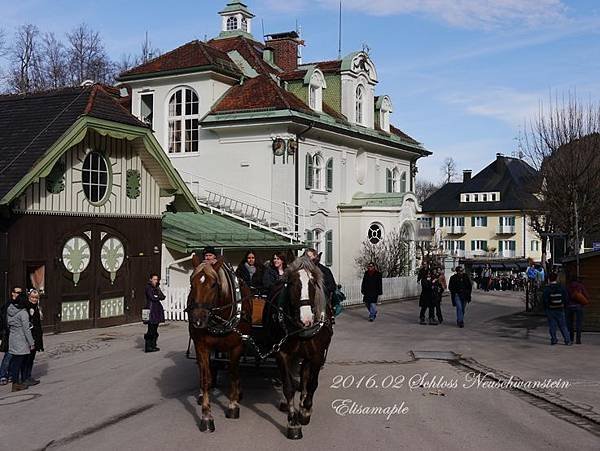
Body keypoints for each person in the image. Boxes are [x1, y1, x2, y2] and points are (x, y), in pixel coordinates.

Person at [7, 292, 35, 392]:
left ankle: (15, 381)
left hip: (13, 338)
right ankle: (16, 383)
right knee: (19, 362)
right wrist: (31, 343)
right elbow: (26, 329)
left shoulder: (10, 309)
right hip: (21, 340)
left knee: (14, 362)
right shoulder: (23, 313)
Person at [0, 286, 23, 385]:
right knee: (9, 355)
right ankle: (3, 375)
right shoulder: (7, 305)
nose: (18, 294)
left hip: (18, 334)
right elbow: (3, 320)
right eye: (17, 292)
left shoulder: (21, 304)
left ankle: (10, 374)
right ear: (12, 293)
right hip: (9, 333)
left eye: (20, 293)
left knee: (15, 355)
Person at [542, 273, 572, 346]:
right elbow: (566, 298)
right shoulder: (561, 287)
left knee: (552, 326)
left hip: (550, 309)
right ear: (556, 278)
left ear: (549, 279)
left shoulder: (547, 289)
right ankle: (567, 340)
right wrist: (564, 306)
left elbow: (544, 300)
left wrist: (546, 308)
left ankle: (554, 340)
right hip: (560, 309)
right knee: (563, 326)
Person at [21, 289, 43, 386]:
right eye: (32, 297)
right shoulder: (26, 307)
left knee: (31, 358)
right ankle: (24, 377)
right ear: (29, 297)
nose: (34, 299)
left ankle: (28, 376)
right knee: (26, 358)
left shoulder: (36, 307)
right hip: (28, 336)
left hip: (35, 335)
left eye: (36, 298)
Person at [144, 274, 166, 353]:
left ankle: (153, 345)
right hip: (151, 309)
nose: (156, 281)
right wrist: (157, 296)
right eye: (154, 279)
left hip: (156, 309)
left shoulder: (156, 287)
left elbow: (162, 297)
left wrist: (158, 295)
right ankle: (148, 346)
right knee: (151, 329)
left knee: (155, 329)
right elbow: (152, 297)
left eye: (156, 279)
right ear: (150, 279)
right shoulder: (148, 287)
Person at [566, 276, 589, 345]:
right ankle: (578, 340)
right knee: (579, 323)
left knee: (570, 324)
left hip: (570, 307)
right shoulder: (580, 286)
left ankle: (571, 338)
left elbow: (566, 298)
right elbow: (587, 296)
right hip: (579, 307)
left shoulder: (568, 287)